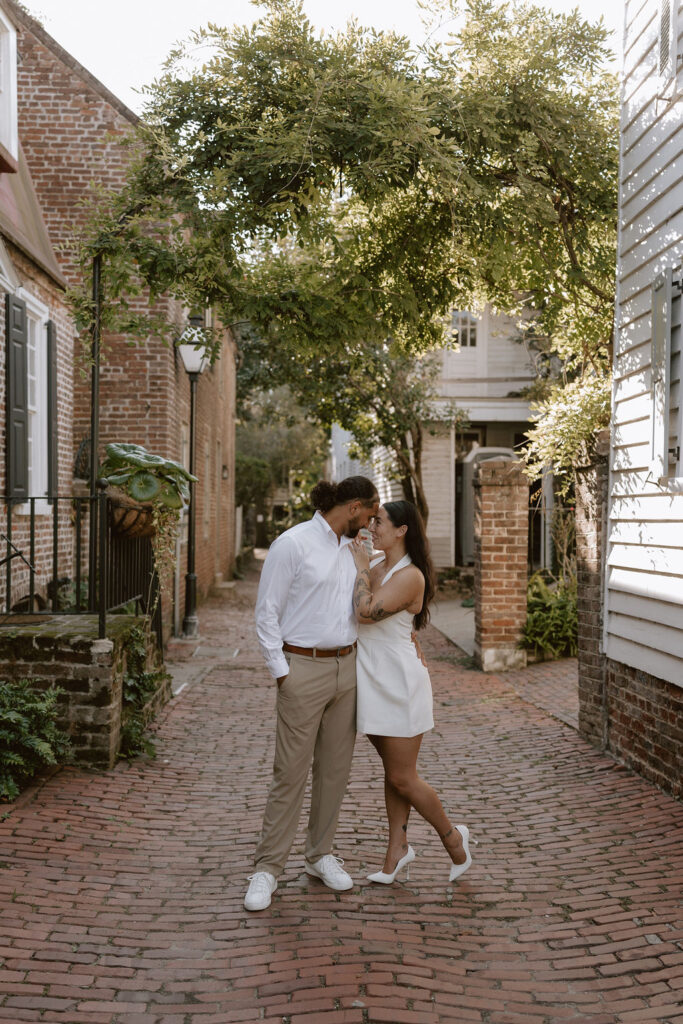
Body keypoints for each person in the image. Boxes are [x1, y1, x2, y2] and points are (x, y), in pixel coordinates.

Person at [245, 475, 380, 912]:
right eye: (371, 512)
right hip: (301, 667)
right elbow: (266, 612)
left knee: (334, 772)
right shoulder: (294, 543)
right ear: (354, 505)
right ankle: (267, 868)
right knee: (290, 772)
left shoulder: (359, 549)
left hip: (348, 667)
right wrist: (283, 673)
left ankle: (319, 856)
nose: (373, 521)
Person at [350, 500, 474, 884]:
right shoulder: (376, 564)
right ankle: (397, 850)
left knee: (404, 777)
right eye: (372, 520)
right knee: (394, 773)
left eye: (380, 521)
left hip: (399, 683)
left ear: (402, 530)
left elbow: (364, 611)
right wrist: (363, 565)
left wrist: (359, 570)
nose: (373, 526)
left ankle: (454, 838)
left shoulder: (411, 575)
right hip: (370, 676)